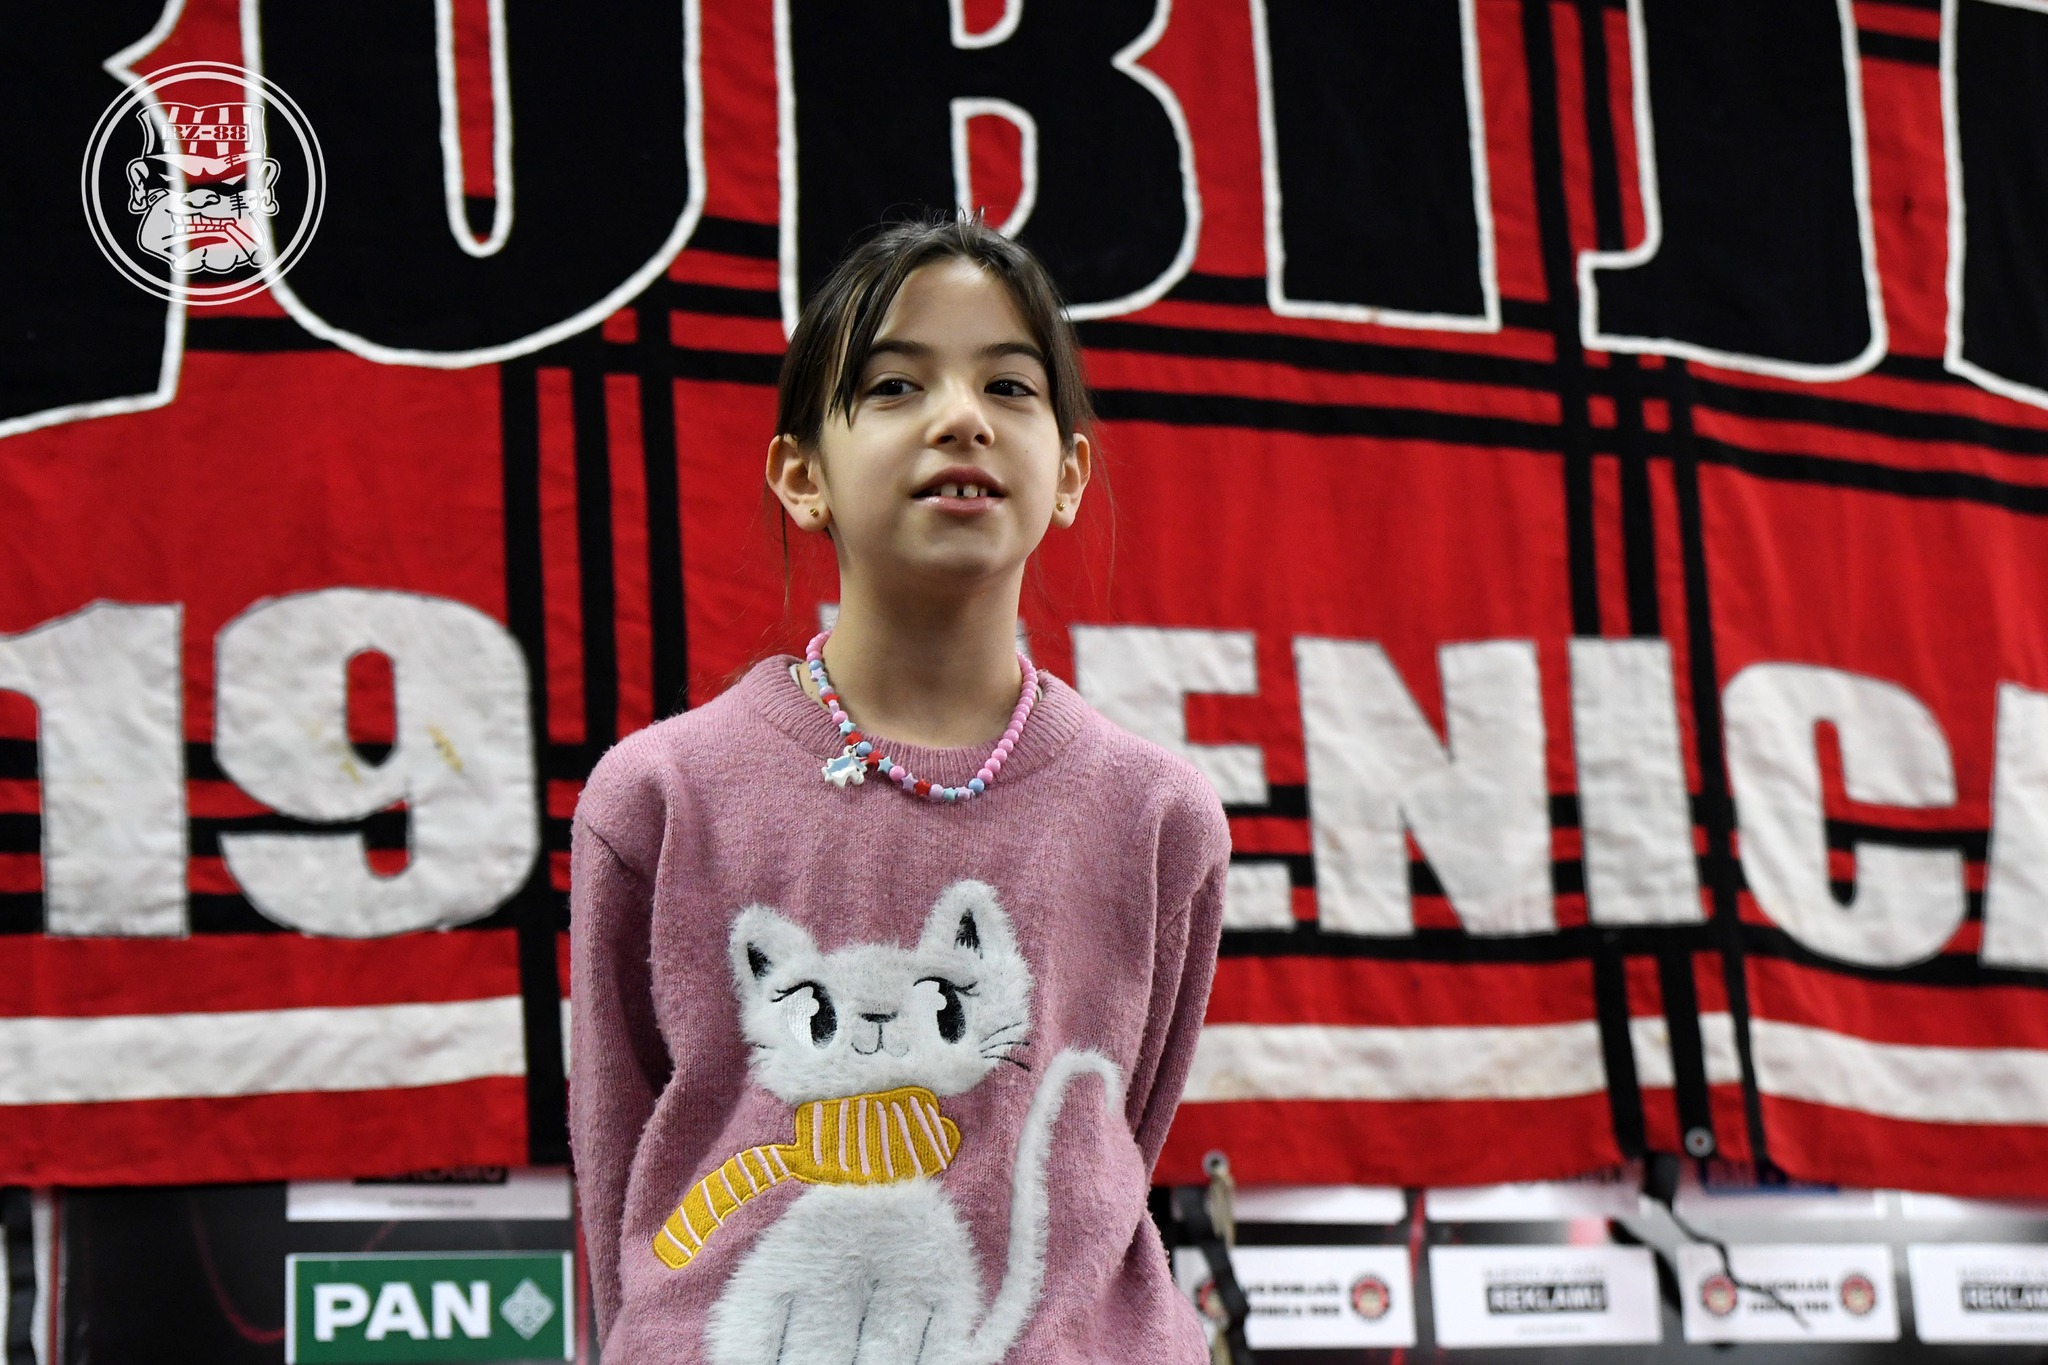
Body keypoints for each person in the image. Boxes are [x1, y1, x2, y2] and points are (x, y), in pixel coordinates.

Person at [569, 214, 1229, 1364]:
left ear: (1069, 474)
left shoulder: (1157, 815)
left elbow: (1114, 1128)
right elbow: (619, 1163)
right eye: (891, 386)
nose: (960, 417)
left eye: (1009, 386)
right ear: (801, 476)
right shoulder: (660, 795)